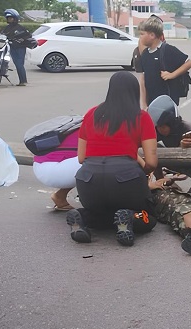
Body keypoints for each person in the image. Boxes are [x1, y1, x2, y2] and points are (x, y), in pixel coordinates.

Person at [66, 72, 159, 246]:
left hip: (88, 179)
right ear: (135, 92)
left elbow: (81, 158)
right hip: (126, 180)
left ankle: (82, 217)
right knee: (149, 218)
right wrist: (142, 171)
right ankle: (130, 217)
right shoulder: (141, 117)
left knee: (101, 215)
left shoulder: (91, 114)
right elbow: (152, 162)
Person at [147, 94, 191, 182]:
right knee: (154, 149)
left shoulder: (189, 129)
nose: (160, 130)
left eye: (163, 127)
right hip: (174, 160)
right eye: (157, 127)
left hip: (190, 163)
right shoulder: (158, 130)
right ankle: (160, 181)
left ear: (172, 124)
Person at [139, 16, 191, 106]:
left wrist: (172, 75)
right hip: (151, 103)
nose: (140, 37)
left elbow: (189, 62)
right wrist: (143, 104)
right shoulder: (145, 54)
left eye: (142, 34)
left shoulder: (168, 50)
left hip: (168, 102)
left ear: (152, 35)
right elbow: (143, 80)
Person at [32, 131, 80, 211]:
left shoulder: (78, 124)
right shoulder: (97, 127)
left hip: (40, 164)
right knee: (96, 161)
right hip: (53, 169)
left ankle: (60, 196)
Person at [1, 9, 31, 87]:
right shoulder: (6, 28)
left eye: (11, 18)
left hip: (20, 48)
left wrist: (21, 39)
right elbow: (2, 35)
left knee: (19, 64)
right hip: (12, 48)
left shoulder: (21, 28)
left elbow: (28, 36)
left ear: (15, 18)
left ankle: (23, 81)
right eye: (8, 18)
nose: (9, 20)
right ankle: (22, 81)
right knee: (16, 64)